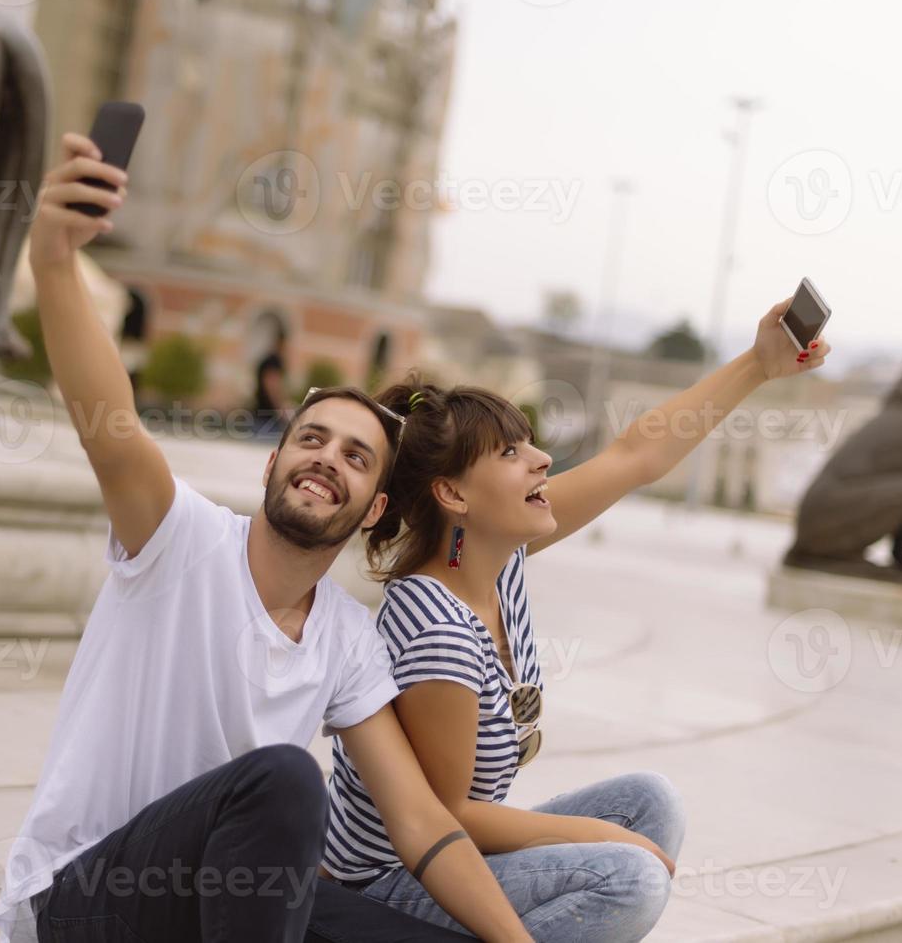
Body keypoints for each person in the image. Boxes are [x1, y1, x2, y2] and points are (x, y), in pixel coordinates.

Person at [0, 132, 535, 943]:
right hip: (82, 905)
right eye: (312, 440)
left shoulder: (346, 641)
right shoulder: (177, 542)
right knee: (286, 780)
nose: (326, 460)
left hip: (216, 908)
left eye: (355, 457)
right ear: (273, 463)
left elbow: (421, 822)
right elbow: (108, 424)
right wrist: (54, 264)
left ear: (376, 509)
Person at [323, 299, 833, 941]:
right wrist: (596, 836)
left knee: (649, 802)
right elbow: (449, 817)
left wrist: (759, 365)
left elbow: (633, 456)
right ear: (453, 495)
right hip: (388, 888)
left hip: (443, 849)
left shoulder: (492, 559)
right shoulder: (437, 629)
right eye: (511, 453)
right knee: (630, 876)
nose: (540, 459)